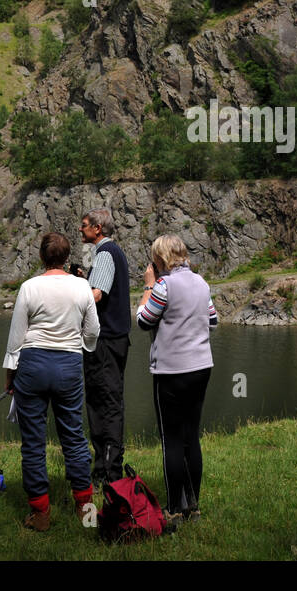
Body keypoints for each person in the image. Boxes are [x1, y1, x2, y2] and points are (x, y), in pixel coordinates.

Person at [5, 232, 101, 531]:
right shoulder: (82, 286)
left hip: (32, 365)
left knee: (33, 442)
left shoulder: (29, 287)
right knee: (73, 435)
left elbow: (16, 339)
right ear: (67, 257)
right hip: (69, 366)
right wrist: (81, 346)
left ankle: (40, 514)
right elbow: (94, 330)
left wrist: (10, 376)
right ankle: (86, 510)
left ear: (42, 257)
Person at [135, 234, 218, 529]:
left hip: (171, 370)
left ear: (159, 259)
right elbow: (213, 319)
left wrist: (147, 286)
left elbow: (144, 320)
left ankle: (173, 510)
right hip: (201, 366)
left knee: (171, 439)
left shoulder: (163, 285)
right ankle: (193, 505)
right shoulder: (201, 282)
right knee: (190, 437)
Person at [80, 208, 132, 486]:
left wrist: (72, 292)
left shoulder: (105, 254)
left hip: (106, 342)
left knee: (104, 403)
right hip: (116, 340)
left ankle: (108, 473)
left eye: (85, 225)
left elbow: (95, 294)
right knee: (108, 401)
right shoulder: (113, 253)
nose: (80, 229)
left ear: (98, 228)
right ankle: (107, 467)